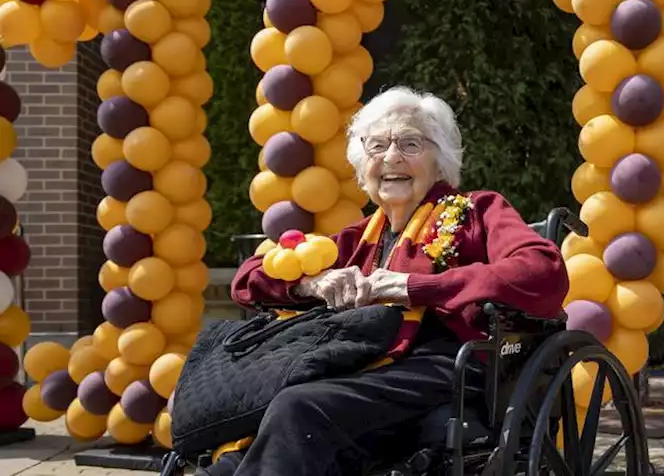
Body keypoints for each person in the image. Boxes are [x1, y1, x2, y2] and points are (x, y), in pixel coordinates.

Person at [210, 86, 570, 476]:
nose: (392, 157)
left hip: (450, 371)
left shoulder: (478, 211)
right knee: (234, 456)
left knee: (299, 407)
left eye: (411, 144)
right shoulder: (359, 238)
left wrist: (412, 286)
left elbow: (542, 270)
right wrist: (312, 284)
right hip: (366, 375)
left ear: (441, 160)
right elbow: (249, 279)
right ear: (362, 165)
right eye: (377, 145)